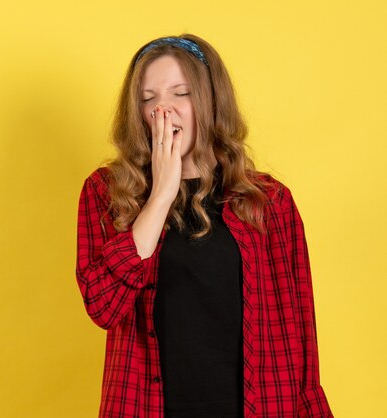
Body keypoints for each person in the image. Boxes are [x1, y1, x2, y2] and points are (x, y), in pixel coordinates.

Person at [75, 34, 333, 418]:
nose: (163, 109)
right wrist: (161, 195)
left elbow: (299, 337)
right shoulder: (107, 192)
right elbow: (103, 306)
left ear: (211, 101)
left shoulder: (270, 202)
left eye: (180, 93)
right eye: (148, 99)